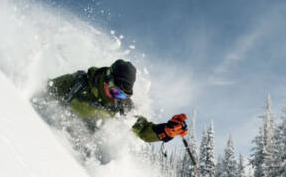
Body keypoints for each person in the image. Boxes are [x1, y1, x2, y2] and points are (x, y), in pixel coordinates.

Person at [45, 59, 189, 142]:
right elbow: (43, 92)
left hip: (83, 151)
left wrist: (166, 131)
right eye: (115, 92)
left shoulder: (121, 106)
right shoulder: (77, 84)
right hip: (53, 136)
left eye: (121, 95)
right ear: (107, 79)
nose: (116, 97)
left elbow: (143, 129)